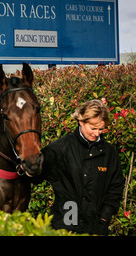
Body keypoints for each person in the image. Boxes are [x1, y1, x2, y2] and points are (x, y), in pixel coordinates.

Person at [38, 99, 124, 235]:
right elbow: (34, 172)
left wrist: (104, 216)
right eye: (93, 128)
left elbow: (116, 186)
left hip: (96, 227)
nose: (97, 133)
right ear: (81, 121)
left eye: (101, 129)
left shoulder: (109, 153)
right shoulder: (60, 148)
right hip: (64, 225)